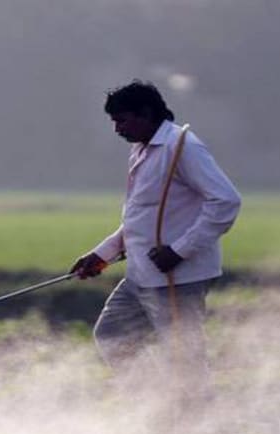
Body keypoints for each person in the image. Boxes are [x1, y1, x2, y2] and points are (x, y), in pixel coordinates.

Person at [70, 80, 241, 389]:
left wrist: (179, 250)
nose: (117, 129)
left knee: (185, 359)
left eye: (122, 120)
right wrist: (103, 254)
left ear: (146, 114)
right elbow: (142, 217)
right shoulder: (142, 150)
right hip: (141, 275)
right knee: (112, 334)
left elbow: (226, 201)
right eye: (114, 121)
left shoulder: (182, 147)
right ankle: (155, 405)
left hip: (179, 277)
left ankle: (201, 429)